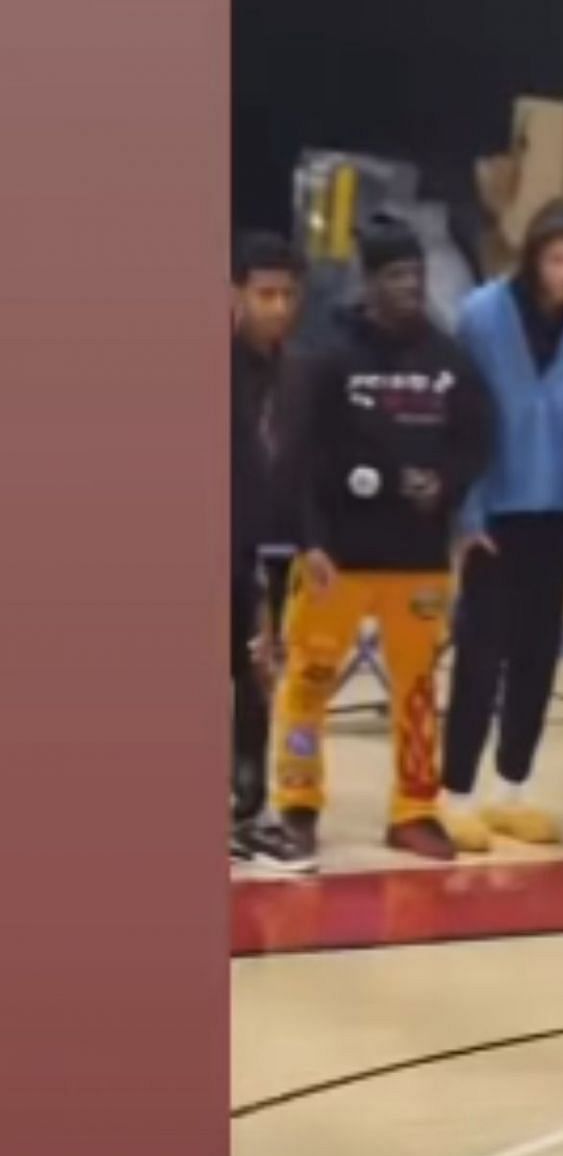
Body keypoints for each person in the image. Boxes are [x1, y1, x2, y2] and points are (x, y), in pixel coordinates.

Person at [264, 214, 495, 869]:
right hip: (336, 554)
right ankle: (299, 803)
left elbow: (478, 438)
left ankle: (414, 809)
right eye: (395, 276)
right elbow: (297, 456)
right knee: (307, 681)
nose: (409, 288)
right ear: (368, 283)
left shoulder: (449, 360)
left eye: (417, 276)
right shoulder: (328, 357)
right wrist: (309, 539)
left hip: (416, 557)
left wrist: (445, 483)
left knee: (417, 689)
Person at [441, 200, 563, 847]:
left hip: (557, 509)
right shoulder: (481, 315)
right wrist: (465, 514)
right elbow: (459, 419)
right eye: (556, 259)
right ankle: (454, 791)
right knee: (478, 656)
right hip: (494, 509)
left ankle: (512, 787)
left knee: (537, 656)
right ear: (532, 257)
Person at [230, 232, 311, 866]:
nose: (276, 308)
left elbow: (305, 468)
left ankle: (246, 801)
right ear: (234, 294)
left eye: (287, 295)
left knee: (259, 676)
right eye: (264, 294)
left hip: (272, 551)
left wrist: (313, 543)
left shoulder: (300, 373)